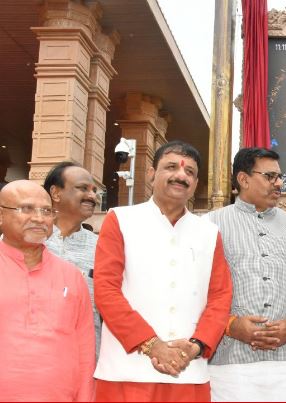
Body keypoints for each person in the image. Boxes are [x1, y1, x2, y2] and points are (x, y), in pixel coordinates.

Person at [93, 140, 233, 401]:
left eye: (189, 172)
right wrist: (151, 344)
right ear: (151, 174)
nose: (181, 175)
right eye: (171, 167)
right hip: (126, 371)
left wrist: (196, 346)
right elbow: (106, 290)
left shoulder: (208, 232)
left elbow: (220, 297)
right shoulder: (121, 220)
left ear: (196, 183)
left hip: (189, 371)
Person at [205, 147, 286, 402]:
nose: (279, 183)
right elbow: (196, 290)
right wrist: (231, 325)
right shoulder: (208, 225)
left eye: (280, 176)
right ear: (243, 179)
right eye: (270, 176)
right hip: (230, 364)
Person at [0, 180, 94, 401]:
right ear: (1, 215)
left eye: (46, 211)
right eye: (26, 208)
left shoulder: (71, 276)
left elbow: (85, 351)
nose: (39, 218)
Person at [43, 161, 102, 354]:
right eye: (83, 188)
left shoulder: (102, 248)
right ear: (55, 193)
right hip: (26, 357)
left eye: (94, 190)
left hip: (82, 357)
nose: (92, 196)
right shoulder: (24, 240)